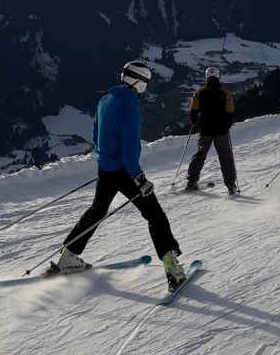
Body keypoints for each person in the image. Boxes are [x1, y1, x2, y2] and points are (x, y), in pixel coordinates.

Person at [56, 60, 186, 289]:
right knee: (155, 215)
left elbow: (96, 134)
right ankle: (172, 268)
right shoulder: (130, 109)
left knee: (96, 211)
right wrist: (139, 178)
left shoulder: (106, 99)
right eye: (146, 82)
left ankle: (68, 256)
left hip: (105, 168)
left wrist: (105, 158)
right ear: (139, 81)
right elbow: (129, 150)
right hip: (125, 172)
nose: (146, 86)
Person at [185, 68, 238, 193]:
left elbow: (193, 110)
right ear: (218, 76)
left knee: (200, 155)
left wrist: (194, 121)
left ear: (206, 76)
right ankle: (231, 186)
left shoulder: (200, 92)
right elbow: (230, 111)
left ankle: (192, 181)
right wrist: (228, 124)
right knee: (226, 157)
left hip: (205, 130)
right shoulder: (225, 93)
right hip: (221, 131)